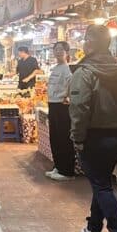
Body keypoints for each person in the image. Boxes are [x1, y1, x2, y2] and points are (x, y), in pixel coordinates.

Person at [70, 25, 117, 232]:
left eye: (85, 39)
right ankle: (93, 228)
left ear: (89, 44)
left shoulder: (85, 72)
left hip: (94, 136)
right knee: (101, 180)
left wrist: (77, 137)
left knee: (101, 185)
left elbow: (79, 107)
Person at [46, 41, 75, 181]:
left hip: (62, 106)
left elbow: (71, 86)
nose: (58, 52)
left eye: (61, 50)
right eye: (56, 49)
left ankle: (67, 171)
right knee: (55, 138)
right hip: (52, 105)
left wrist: (68, 98)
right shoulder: (55, 68)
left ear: (67, 52)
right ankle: (58, 166)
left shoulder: (67, 69)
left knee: (63, 138)